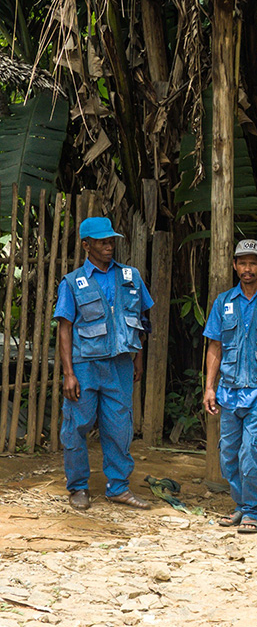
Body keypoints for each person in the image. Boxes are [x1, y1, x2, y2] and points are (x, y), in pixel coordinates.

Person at [55, 216, 155, 511]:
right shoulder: (73, 282)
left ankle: (119, 488)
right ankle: (78, 487)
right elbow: (64, 327)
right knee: (75, 426)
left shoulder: (130, 276)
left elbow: (142, 321)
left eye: (111, 241)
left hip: (120, 365)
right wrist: (68, 373)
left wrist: (137, 358)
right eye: (102, 242)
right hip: (84, 365)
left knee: (119, 426)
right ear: (87, 246)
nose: (109, 246)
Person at [202, 240, 257, 534]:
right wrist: (209, 388)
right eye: (242, 262)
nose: (247, 269)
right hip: (228, 391)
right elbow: (215, 346)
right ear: (235, 265)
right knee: (228, 453)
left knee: (251, 452)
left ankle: (253, 510)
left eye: (254, 263)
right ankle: (240, 505)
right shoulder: (224, 301)